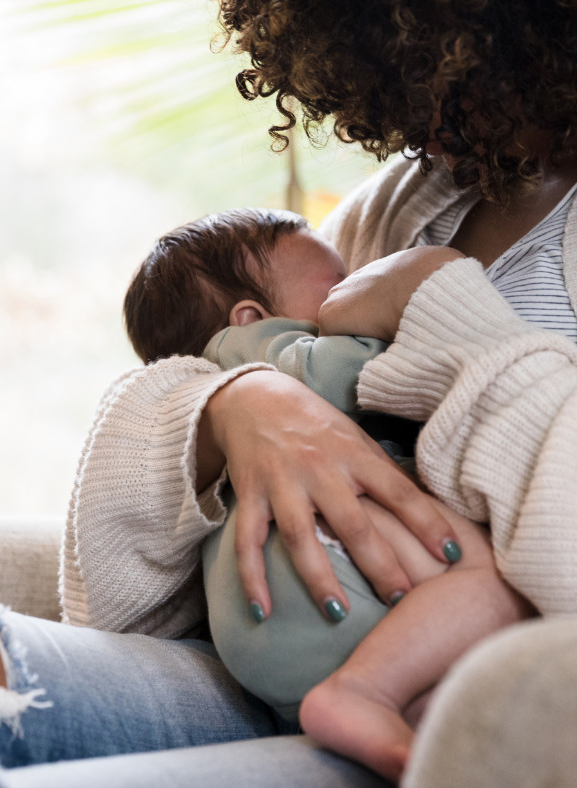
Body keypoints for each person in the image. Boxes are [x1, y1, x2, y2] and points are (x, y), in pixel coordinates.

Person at [0, 2, 577, 786]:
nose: (411, 123)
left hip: (452, 721)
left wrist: (436, 309)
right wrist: (236, 409)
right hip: (260, 675)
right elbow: (119, 586)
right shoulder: (416, 195)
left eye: (435, 75)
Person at [121, 206, 532, 776]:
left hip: (260, 629)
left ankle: (373, 706)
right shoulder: (263, 353)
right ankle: (361, 691)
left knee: (439, 721)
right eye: (338, 285)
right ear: (250, 316)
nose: (352, 292)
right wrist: (408, 302)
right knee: (496, 579)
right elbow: (351, 372)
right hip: (312, 578)